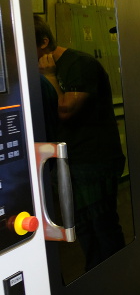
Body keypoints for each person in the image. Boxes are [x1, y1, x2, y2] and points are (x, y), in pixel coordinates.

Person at [34, 14, 126, 271]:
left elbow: (65, 110)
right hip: (66, 162)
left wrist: (51, 76)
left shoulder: (79, 65)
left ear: (43, 42)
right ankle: (95, 275)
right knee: (82, 226)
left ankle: (117, 276)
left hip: (93, 160)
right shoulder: (37, 71)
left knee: (102, 224)